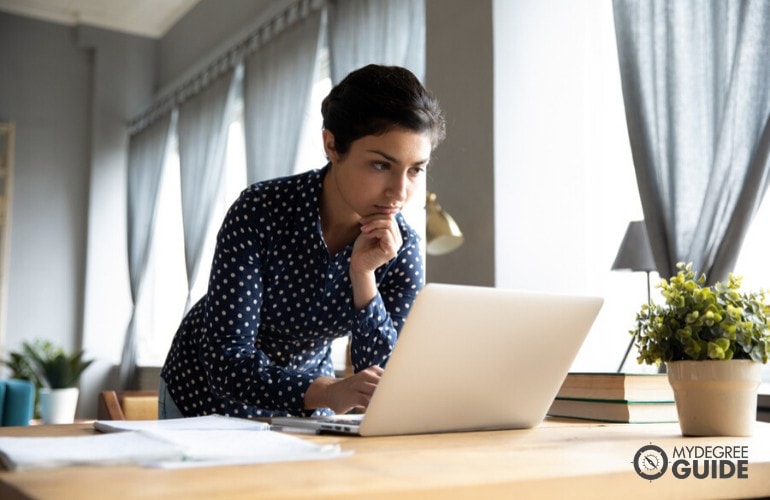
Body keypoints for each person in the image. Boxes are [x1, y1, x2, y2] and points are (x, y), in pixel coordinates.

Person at [159, 64, 446, 419]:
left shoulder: (401, 249)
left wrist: (363, 276)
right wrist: (326, 390)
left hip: (311, 399)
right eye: (380, 165)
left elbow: (385, 377)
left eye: (415, 169)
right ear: (332, 145)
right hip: (204, 395)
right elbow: (227, 360)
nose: (400, 192)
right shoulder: (260, 211)